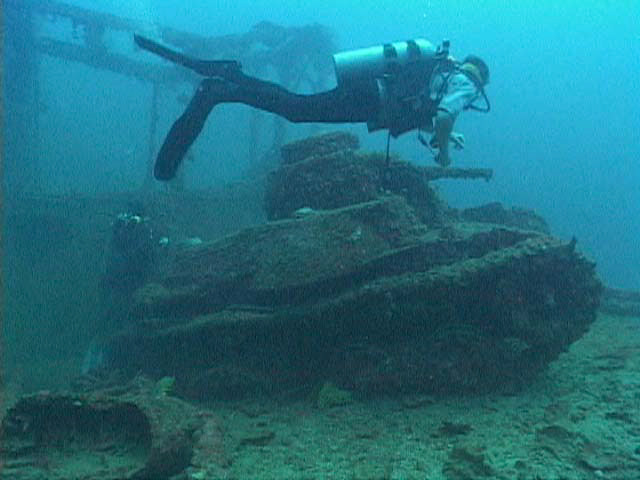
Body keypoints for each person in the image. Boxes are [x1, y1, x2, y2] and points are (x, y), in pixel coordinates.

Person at [134, 35, 490, 181]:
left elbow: (426, 113)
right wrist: (443, 153)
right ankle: (223, 88)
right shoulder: (467, 84)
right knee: (297, 108)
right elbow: (444, 114)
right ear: (480, 80)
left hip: (371, 93)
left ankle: (232, 78)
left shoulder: (442, 73)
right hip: (370, 98)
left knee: (296, 106)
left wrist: (447, 134)